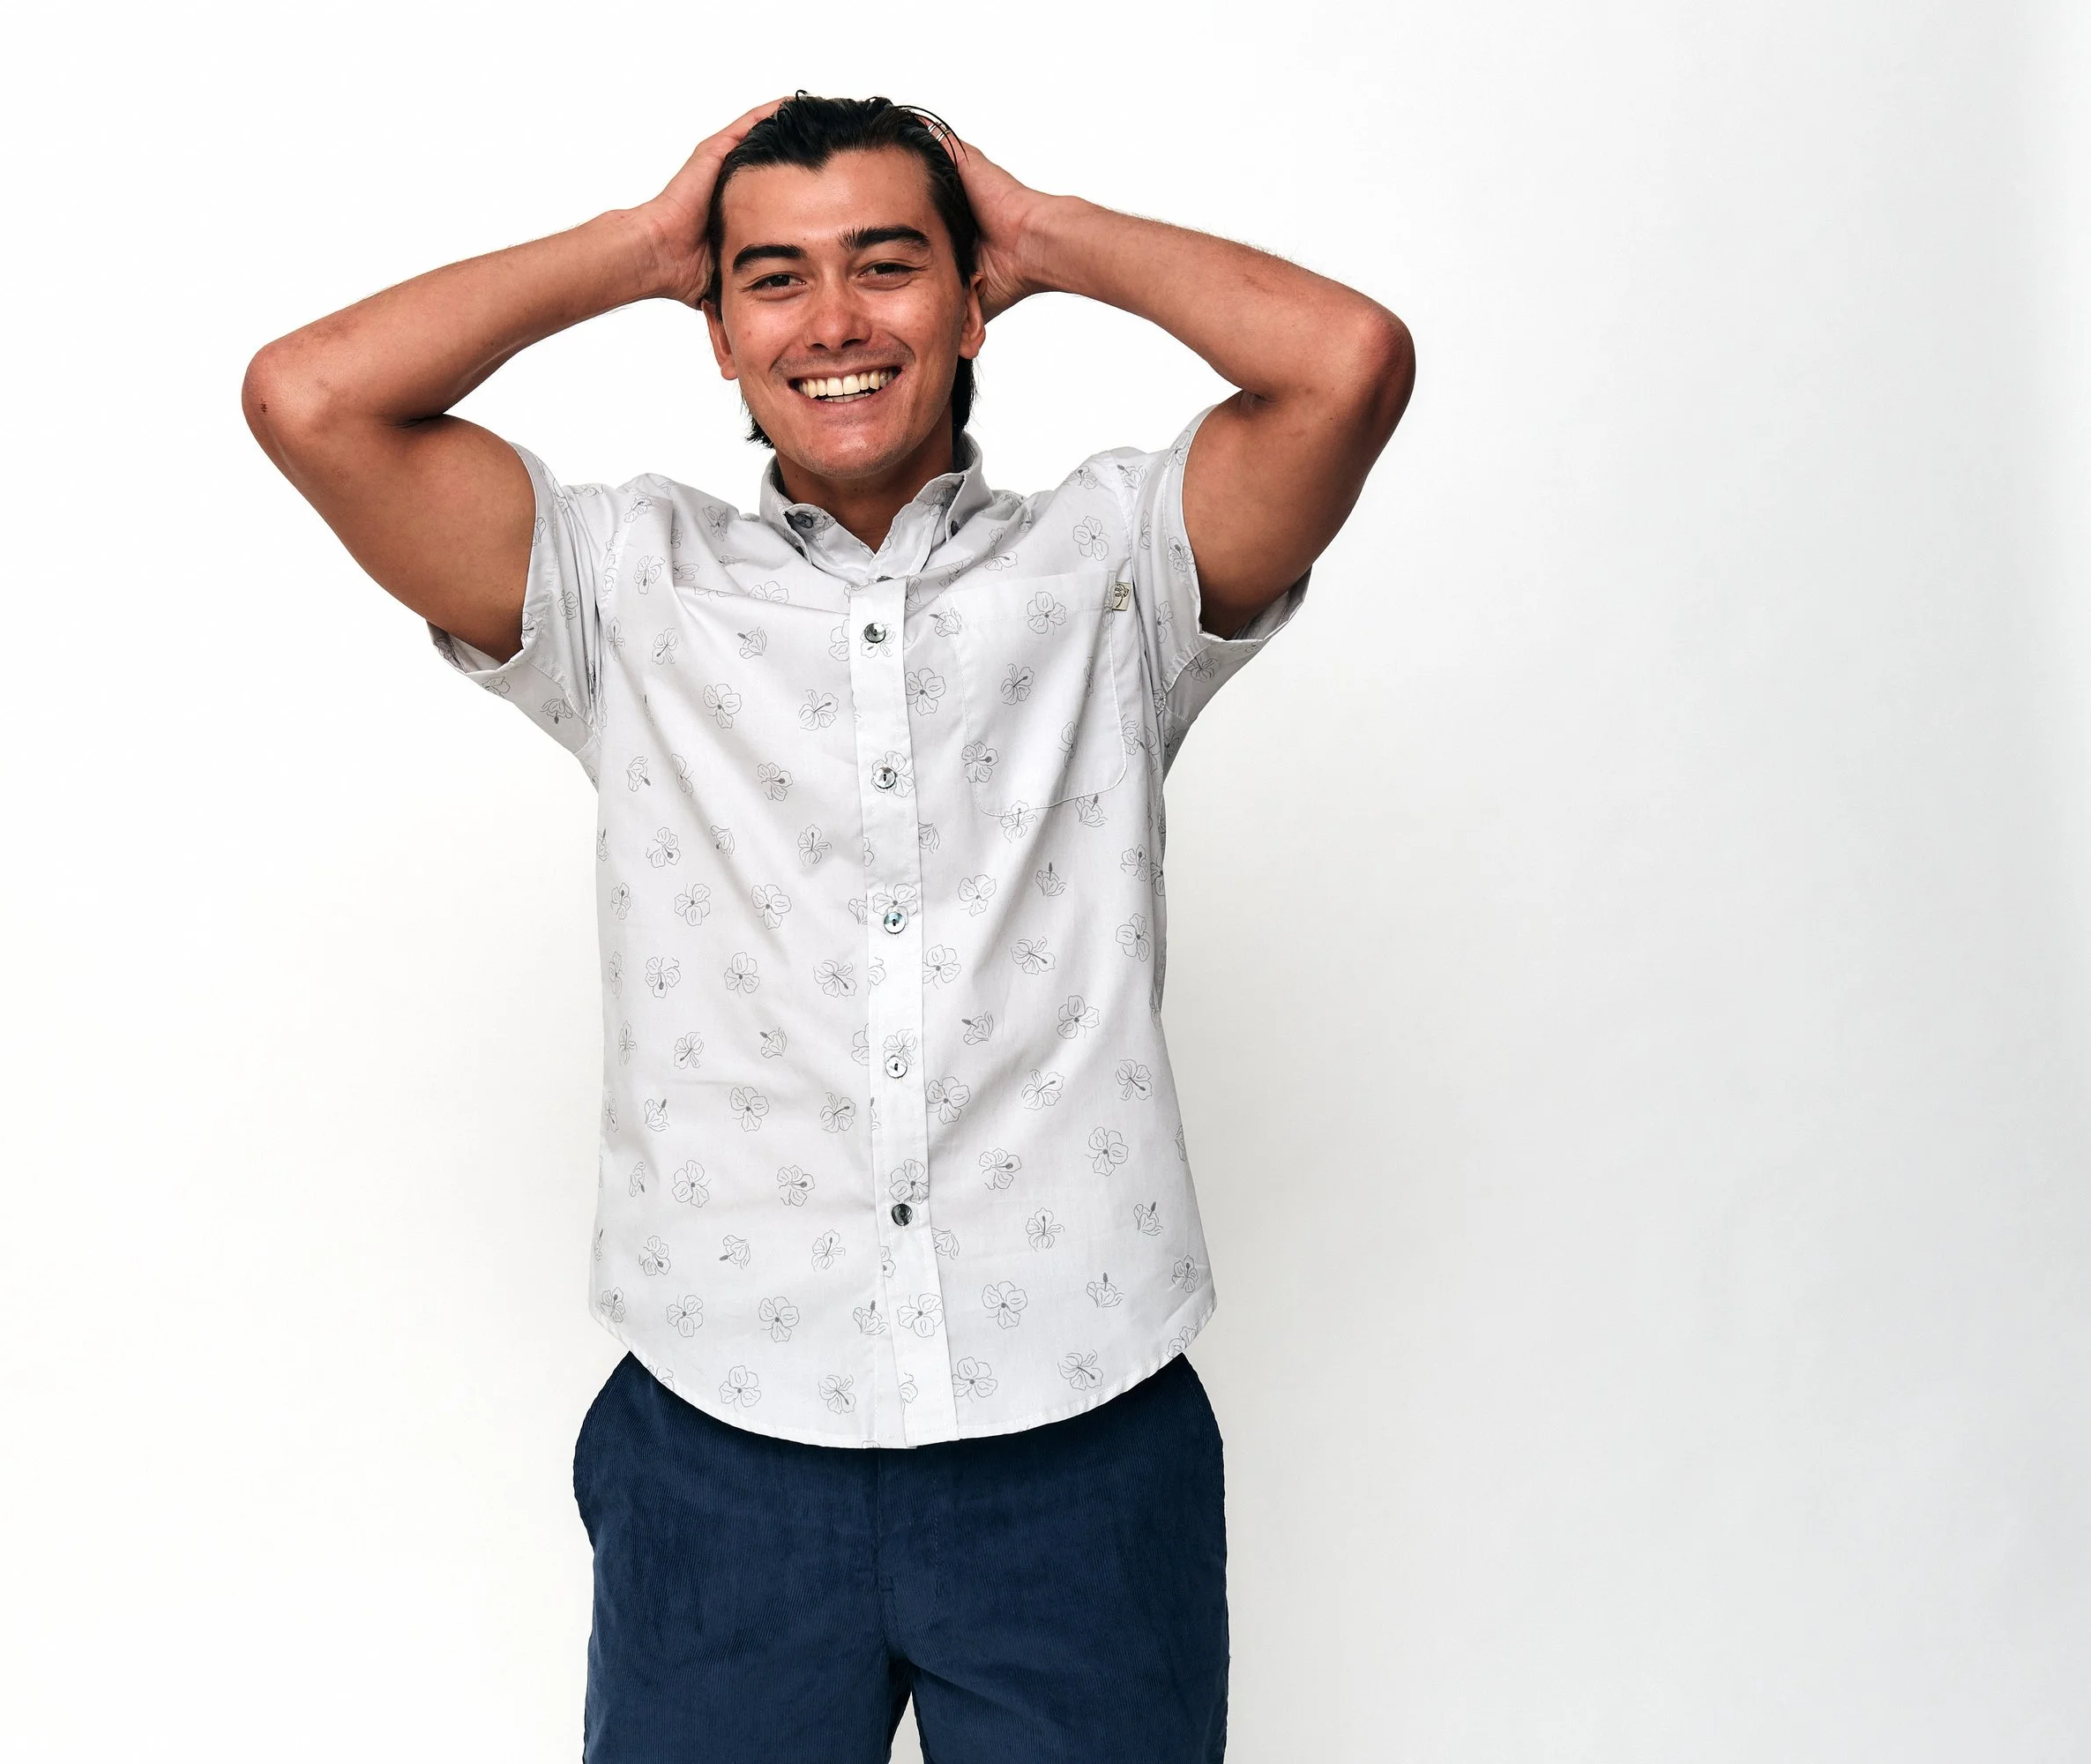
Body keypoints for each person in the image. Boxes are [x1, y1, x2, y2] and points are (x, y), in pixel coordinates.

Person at [243, 92, 1413, 1764]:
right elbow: (309, 395)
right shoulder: (618, 588)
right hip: (726, 1457)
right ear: (717, 331)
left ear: (969, 296)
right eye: (772, 280)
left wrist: (1048, 231)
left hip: (1077, 1442)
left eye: (891, 265)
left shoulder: (1115, 569)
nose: (837, 322)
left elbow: (1349, 361)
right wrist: (649, 245)